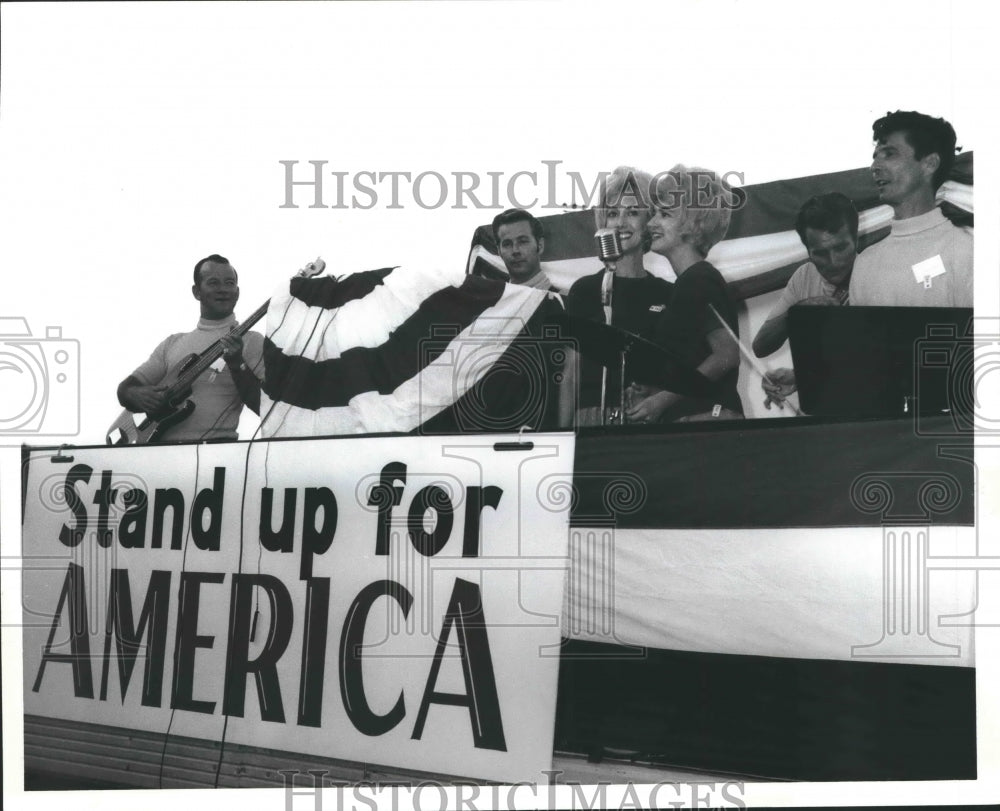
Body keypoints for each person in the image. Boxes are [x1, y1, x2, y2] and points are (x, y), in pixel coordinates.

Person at [626, 165, 742, 423]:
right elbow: (694, 362)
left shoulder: (699, 279)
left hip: (709, 423)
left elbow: (727, 354)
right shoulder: (689, 282)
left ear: (695, 224)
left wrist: (662, 399)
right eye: (654, 213)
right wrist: (653, 389)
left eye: (665, 214)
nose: (652, 223)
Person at [561, 166, 674, 425]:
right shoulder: (584, 291)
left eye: (633, 212)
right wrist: (561, 439)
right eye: (613, 213)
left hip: (646, 422)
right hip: (590, 421)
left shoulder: (667, 294)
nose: (621, 222)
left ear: (650, 221)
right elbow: (571, 374)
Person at [116, 254, 264, 442]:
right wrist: (136, 394)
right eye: (213, 283)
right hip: (156, 455)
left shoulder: (251, 341)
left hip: (216, 455)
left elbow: (267, 407)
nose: (223, 289)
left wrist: (237, 365)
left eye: (229, 283)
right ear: (196, 292)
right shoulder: (172, 343)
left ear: (238, 291)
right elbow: (125, 389)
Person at [849, 110, 972, 307]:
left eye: (889, 154)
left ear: (930, 164)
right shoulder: (865, 263)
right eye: (876, 156)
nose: (874, 166)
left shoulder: (969, 253)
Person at [753, 193, 859, 408]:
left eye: (840, 248)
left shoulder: (878, 271)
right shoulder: (804, 276)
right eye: (820, 253)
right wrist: (799, 311)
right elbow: (760, 347)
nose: (833, 261)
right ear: (808, 251)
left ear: (856, 239)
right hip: (825, 411)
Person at [492, 208, 556, 291]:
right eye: (507, 244)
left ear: (540, 245)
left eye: (523, 242)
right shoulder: (497, 303)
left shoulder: (564, 301)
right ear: (499, 251)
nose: (515, 251)